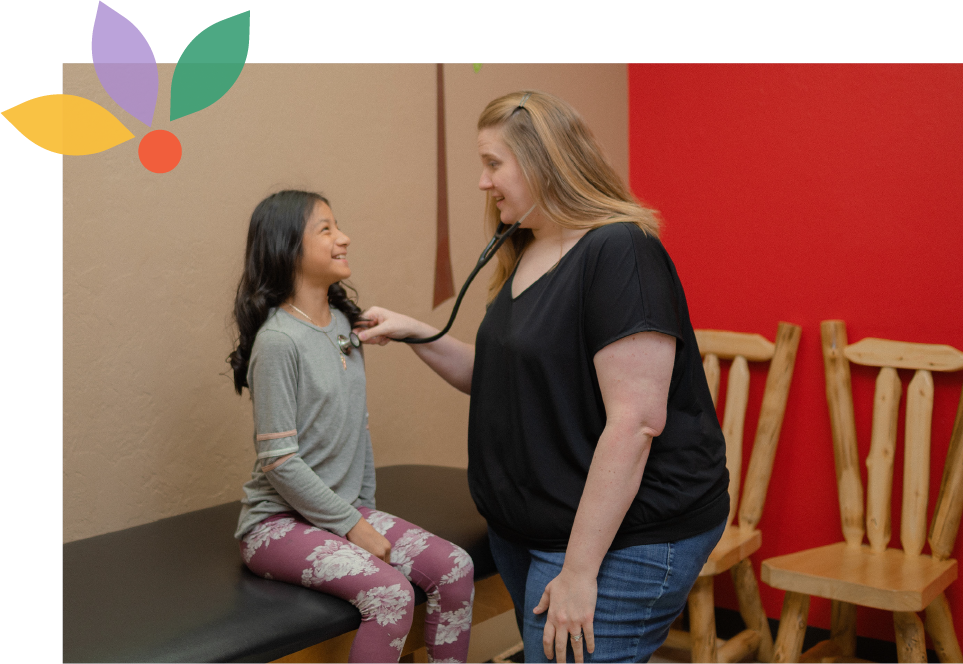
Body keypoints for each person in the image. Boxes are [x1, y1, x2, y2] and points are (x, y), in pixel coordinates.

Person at [358, 91, 729, 664]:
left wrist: (581, 573)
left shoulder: (620, 250)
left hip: (622, 538)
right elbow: (505, 380)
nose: (483, 182)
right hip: (532, 528)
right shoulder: (526, 249)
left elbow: (635, 422)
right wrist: (415, 333)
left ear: (542, 160)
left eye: (492, 163)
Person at [227, 190, 475, 664]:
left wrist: (364, 512)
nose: (344, 237)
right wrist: (354, 527)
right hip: (276, 527)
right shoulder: (278, 341)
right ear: (288, 248)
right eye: (326, 229)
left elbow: (357, 431)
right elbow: (279, 460)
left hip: (341, 514)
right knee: (391, 595)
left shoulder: (345, 327)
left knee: (454, 568)